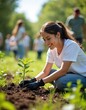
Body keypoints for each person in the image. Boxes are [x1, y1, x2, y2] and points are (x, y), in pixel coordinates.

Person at [19, 21, 86, 92]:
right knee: (50, 72)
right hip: (69, 75)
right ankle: (61, 87)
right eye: (44, 40)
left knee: (61, 81)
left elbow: (63, 71)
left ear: (58, 35)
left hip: (83, 77)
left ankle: (78, 90)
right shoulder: (52, 49)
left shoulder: (70, 45)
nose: (46, 43)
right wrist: (32, 80)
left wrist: (39, 83)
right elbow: (45, 71)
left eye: (48, 38)